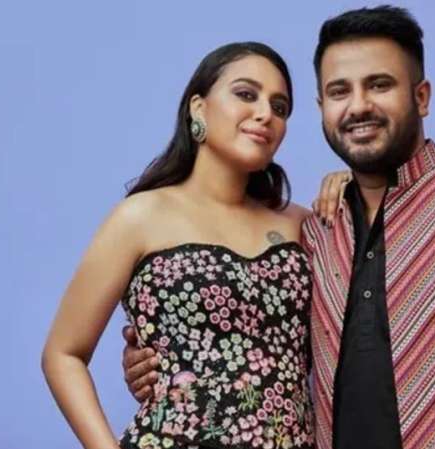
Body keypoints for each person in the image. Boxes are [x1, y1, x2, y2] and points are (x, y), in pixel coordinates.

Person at [124, 5, 435, 449]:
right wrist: (158, 355)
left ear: (421, 97)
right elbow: (259, 338)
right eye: (339, 91)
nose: (358, 106)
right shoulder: (316, 231)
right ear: (323, 107)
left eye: (379, 85)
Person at [42, 42, 321, 449]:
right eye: (246, 94)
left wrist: (348, 185)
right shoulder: (140, 217)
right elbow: (63, 354)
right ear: (198, 108)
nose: (266, 113)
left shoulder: (304, 225)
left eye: (280, 107)